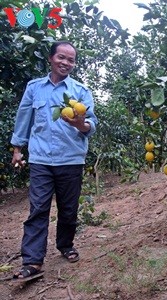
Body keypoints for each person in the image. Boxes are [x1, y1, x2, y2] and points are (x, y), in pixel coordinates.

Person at [10, 40, 98, 281]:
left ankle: (65, 245)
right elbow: (24, 118)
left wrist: (82, 124)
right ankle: (32, 261)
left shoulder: (80, 91)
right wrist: (17, 148)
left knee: (68, 209)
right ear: (51, 58)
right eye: (61, 57)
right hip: (41, 159)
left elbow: (91, 123)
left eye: (71, 60)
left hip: (70, 158)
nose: (66, 63)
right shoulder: (35, 87)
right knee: (38, 209)